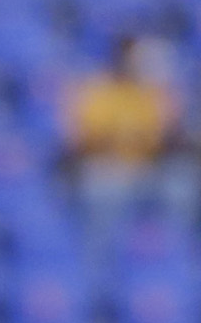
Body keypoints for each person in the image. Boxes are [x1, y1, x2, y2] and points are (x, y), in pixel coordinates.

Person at [60, 34, 196, 246]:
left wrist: (170, 106)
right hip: (109, 167)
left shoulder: (153, 92)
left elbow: (169, 139)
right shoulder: (98, 91)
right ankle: (101, 258)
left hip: (148, 168)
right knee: (104, 188)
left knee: (181, 183)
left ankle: (179, 253)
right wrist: (128, 139)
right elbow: (83, 143)